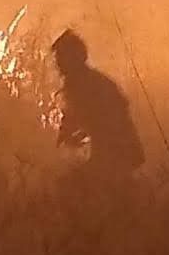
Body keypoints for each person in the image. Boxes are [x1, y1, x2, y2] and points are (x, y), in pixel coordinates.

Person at [50, 29, 144, 178]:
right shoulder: (86, 82)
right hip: (118, 154)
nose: (58, 65)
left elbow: (106, 130)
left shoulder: (87, 86)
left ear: (72, 58)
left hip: (117, 156)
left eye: (60, 58)